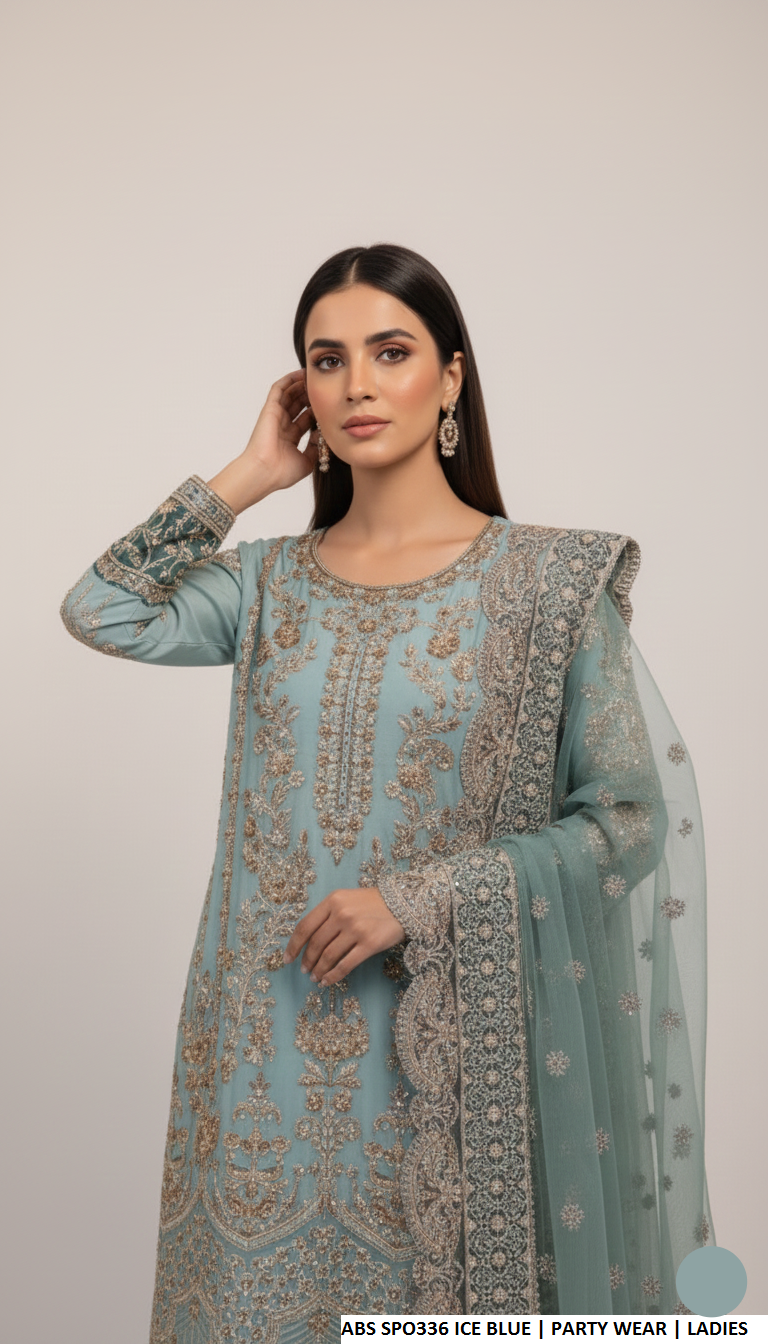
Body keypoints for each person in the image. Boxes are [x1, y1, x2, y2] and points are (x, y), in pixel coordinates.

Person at [61, 244, 712, 1335]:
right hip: (262, 1057)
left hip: (453, 1065)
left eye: (391, 352)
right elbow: (102, 610)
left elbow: (627, 822)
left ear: (451, 377)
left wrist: (415, 901)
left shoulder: (548, 586)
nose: (358, 384)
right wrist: (248, 474)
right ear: (302, 393)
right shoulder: (266, 585)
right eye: (328, 361)